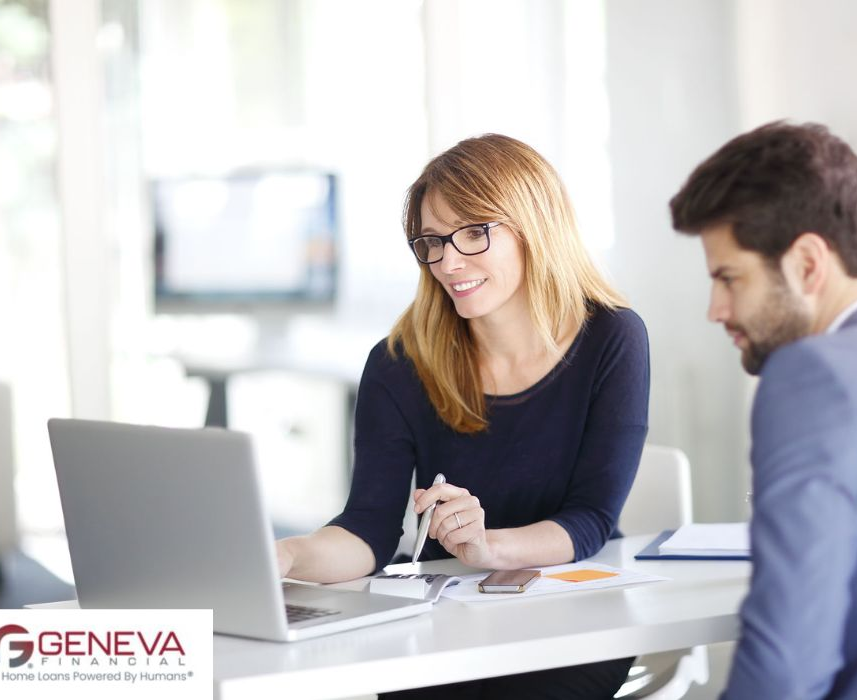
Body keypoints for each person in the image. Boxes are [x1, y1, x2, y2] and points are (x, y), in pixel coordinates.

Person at [277, 133, 650, 698]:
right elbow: (369, 528)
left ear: (533, 226)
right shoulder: (399, 363)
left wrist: (488, 546)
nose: (448, 262)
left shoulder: (612, 337)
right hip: (447, 617)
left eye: (474, 233)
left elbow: (591, 518)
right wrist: (288, 554)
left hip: (574, 612)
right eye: (432, 241)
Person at [669, 121, 857, 700]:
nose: (716, 309)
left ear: (807, 264)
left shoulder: (811, 375)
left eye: (729, 278)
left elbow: (786, 665)